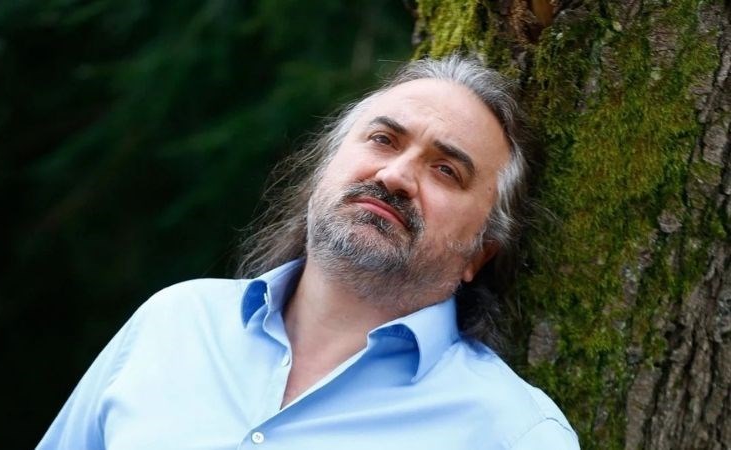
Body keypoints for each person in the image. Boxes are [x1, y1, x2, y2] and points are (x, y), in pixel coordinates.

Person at [37, 54, 579, 449]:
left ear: (480, 255)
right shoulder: (174, 323)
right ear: (324, 168)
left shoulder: (514, 433)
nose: (394, 176)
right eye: (383, 139)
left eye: (445, 170)